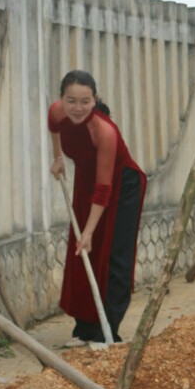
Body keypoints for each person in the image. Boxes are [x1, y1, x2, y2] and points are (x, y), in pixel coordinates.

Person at [49, 71, 146, 345]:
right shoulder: (58, 112)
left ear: (95, 100)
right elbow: (54, 125)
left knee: (112, 253)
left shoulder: (105, 132)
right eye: (71, 101)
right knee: (82, 255)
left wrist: (89, 232)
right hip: (86, 179)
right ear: (62, 99)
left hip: (121, 184)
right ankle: (85, 329)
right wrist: (58, 159)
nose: (77, 108)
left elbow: (105, 188)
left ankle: (107, 332)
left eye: (85, 101)